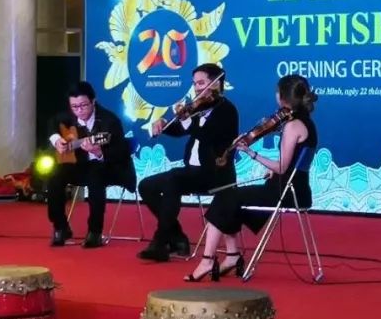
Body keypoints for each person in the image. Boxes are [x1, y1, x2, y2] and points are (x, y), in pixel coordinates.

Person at [186, 74, 318, 282]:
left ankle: (208, 260)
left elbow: (282, 167)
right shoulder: (306, 123)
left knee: (224, 198)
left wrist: (252, 153)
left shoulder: (292, 126)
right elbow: (292, 165)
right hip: (296, 189)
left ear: (282, 97)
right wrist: (274, 171)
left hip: (283, 192)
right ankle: (230, 256)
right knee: (228, 200)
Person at [137, 63, 238, 262]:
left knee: (173, 180)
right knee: (146, 186)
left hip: (215, 173)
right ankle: (177, 237)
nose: (197, 88)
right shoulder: (199, 107)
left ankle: (160, 242)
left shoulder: (226, 110)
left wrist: (187, 119)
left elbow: (207, 135)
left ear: (216, 84)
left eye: (201, 83)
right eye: (195, 84)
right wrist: (163, 125)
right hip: (192, 171)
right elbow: (181, 130)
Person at [45, 81, 135, 247]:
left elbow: (121, 152)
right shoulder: (69, 116)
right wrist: (57, 140)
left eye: (83, 105)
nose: (79, 111)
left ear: (93, 101)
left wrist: (99, 152)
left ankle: (95, 231)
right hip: (80, 166)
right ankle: (60, 227)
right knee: (54, 176)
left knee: (96, 175)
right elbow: (52, 123)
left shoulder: (110, 121)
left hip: (109, 167)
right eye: (74, 107)